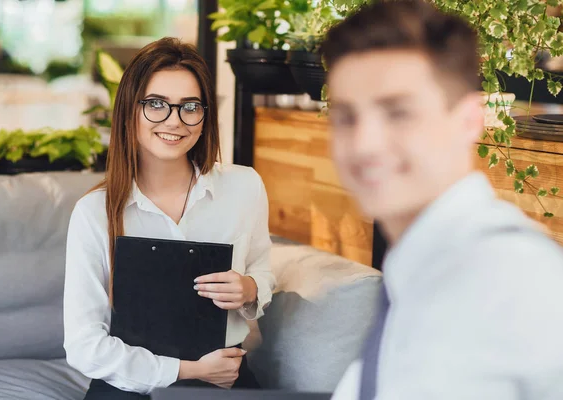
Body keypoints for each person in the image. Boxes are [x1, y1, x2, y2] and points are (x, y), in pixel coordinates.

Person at [320, 1, 563, 399]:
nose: (364, 144)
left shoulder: (516, 278)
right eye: (346, 117)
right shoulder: (415, 268)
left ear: (468, 120)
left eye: (398, 113)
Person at [63, 37, 275, 399]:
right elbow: (84, 346)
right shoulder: (94, 212)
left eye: (190, 106)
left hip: (226, 376)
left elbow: (263, 268)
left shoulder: (244, 187)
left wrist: (250, 288)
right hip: (129, 382)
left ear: (205, 114)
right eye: (156, 104)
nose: (174, 121)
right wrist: (190, 371)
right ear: (130, 109)